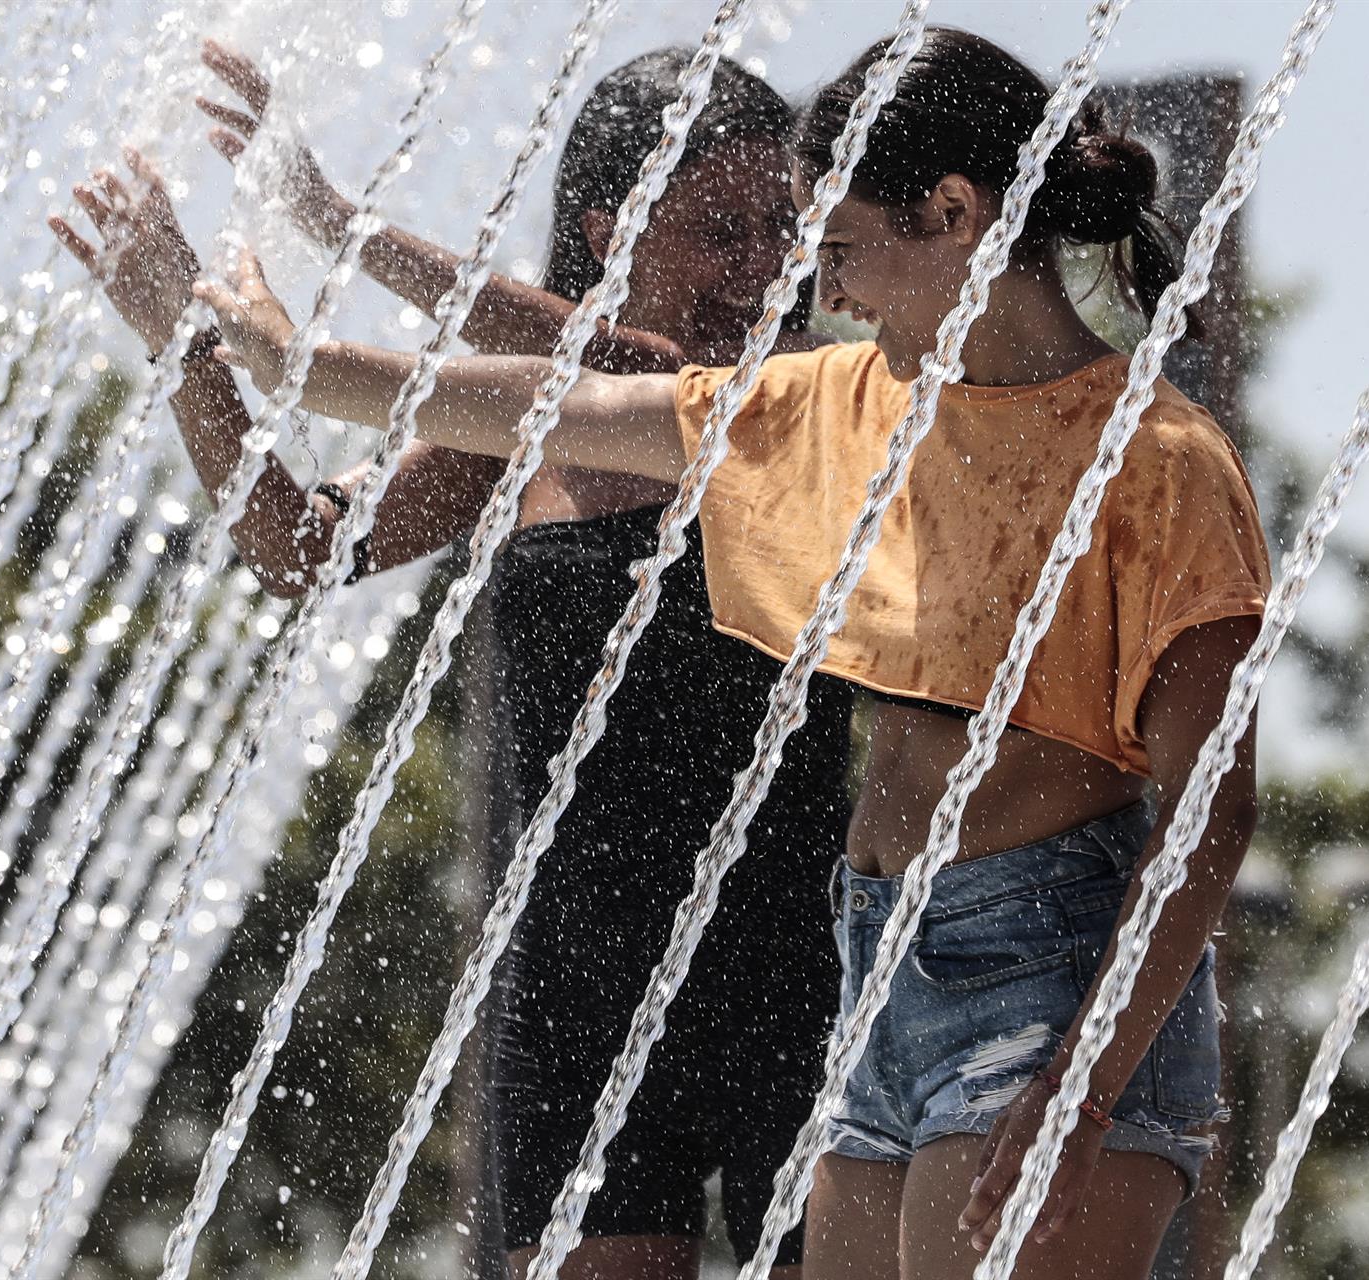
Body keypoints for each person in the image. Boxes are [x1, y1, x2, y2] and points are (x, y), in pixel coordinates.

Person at [163, 26, 1269, 1280]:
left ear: (956, 214)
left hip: (1043, 963)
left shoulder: (1157, 459)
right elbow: (564, 402)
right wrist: (291, 364)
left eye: (836, 247)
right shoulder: (855, 407)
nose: (826, 290)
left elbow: (1212, 809)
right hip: (873, 966)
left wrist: (1086, 1079)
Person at [52, 44, 855, 1280]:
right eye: (723, 230)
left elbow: (630, 371)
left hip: (796, 972)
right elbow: (299, 545)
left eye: (782, 228)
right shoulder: (514, 432)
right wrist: (183, 342)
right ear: (611, 229)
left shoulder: (814, 398)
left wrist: (332, 222)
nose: (766, 264)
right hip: (575, 985)